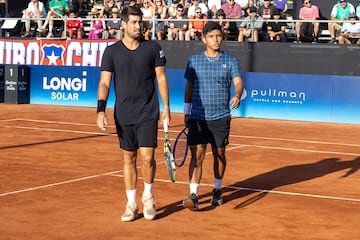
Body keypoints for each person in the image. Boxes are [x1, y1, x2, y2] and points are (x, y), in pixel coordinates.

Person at [96, 6, 171, 222]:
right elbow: (104, 82)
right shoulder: (111, 52)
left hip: (148, 111)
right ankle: (131, 204)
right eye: (134, 22)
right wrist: (101, 109)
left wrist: (166, 108)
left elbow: (161, 78)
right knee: (128, 158)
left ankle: (148, 197)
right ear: (123, 25)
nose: (139, 26)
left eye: (140, 22)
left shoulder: (153, 48)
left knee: (147, 157)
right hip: (124, 114)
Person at [182, 21, 243, 210]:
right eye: (211, 36)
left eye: (218, 36)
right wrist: (186, 110)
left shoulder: (231, 60)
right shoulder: (194, 60)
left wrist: (238, 94)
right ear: (204, 39)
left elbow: (238, 82)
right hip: (198, 116)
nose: (216, 39)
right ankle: (193, 194)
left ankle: (217, 189)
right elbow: (189, 87)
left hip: (221, 116)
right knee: (197, 154)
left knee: (220, 154)